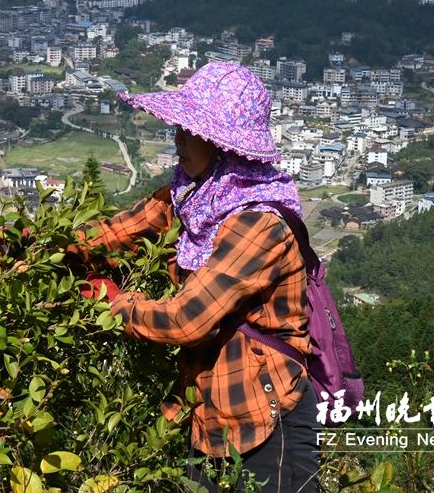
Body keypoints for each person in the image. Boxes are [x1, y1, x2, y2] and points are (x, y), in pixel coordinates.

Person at [77, 62, 320, 492]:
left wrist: (110, 302)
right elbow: (113, 234)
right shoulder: (193, 199)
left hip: (266, 420)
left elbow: (186, 320)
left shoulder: (258, 224)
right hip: (207, 417)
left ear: (222, 146)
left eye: (190, 132)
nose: (178, 140)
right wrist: (32, 246)